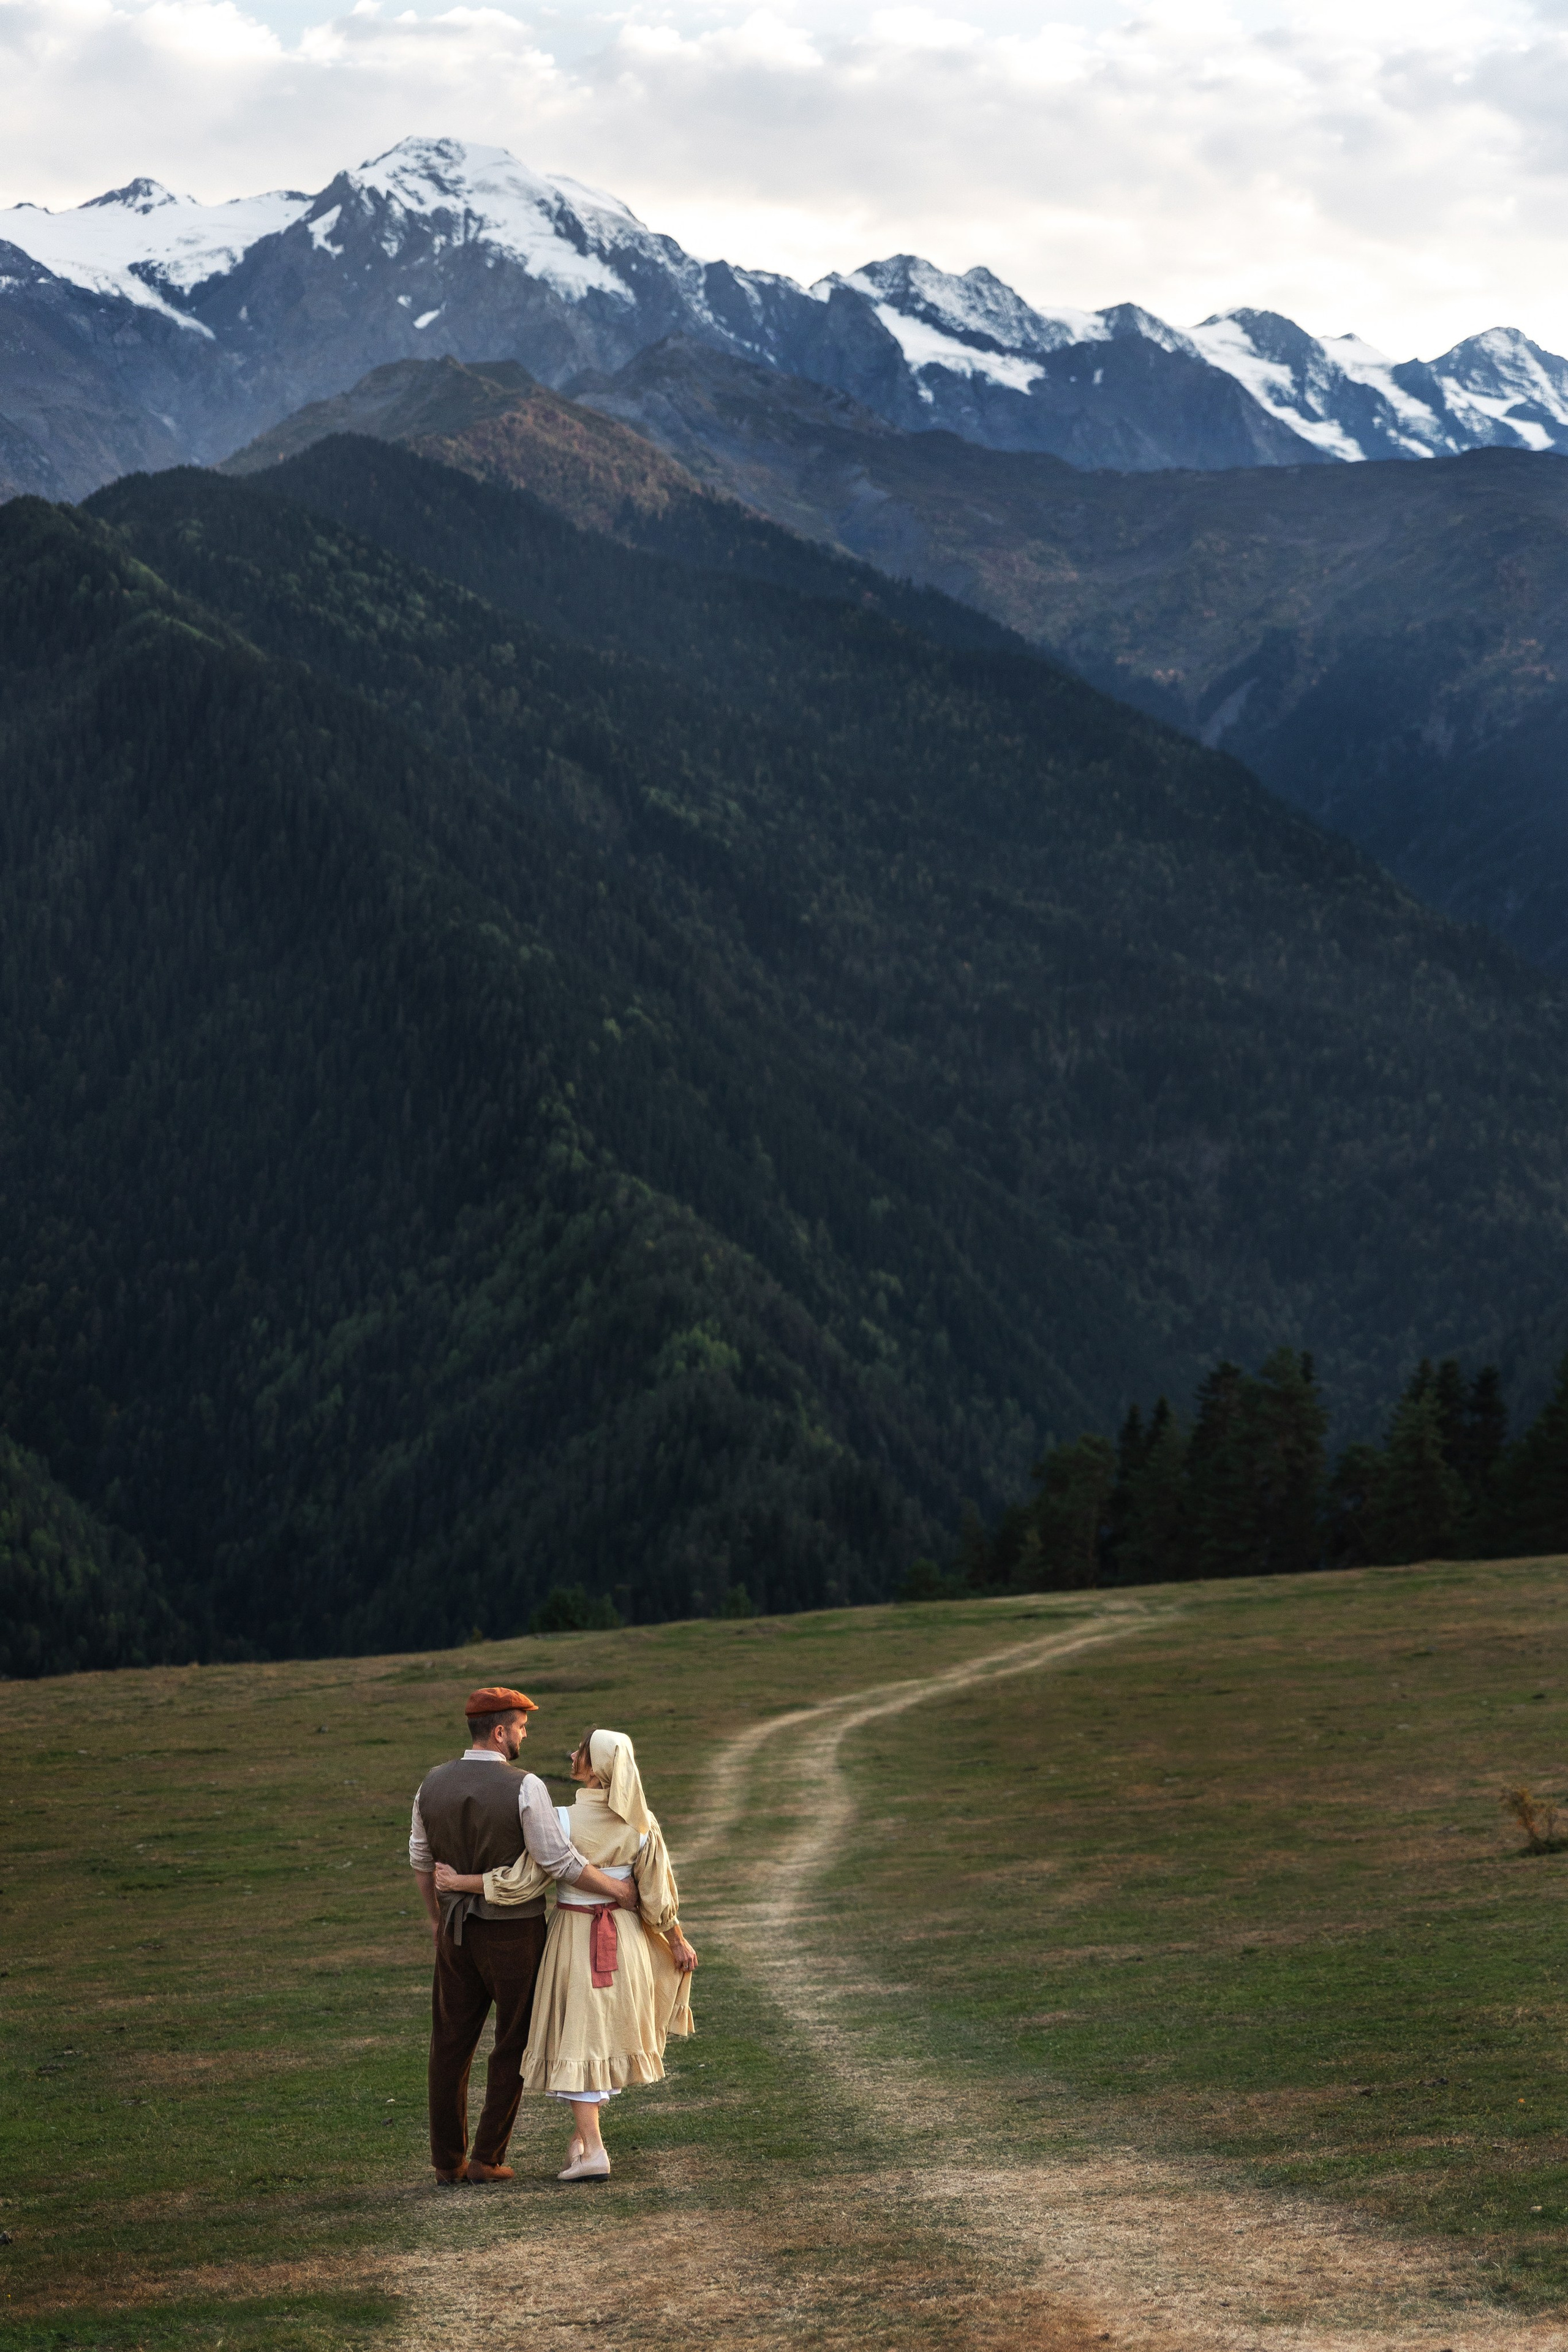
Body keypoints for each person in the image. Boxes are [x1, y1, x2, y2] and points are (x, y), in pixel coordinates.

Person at [435, 1724, 697, 2182]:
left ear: (596, 1769)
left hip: (576, 1937)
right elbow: (656, 1897)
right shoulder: (643, 1824)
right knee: (602, 2037)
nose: (572, 1756)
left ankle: (594, 2150)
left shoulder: (561, 1820)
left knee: (579, 2040)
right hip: (627, 1940)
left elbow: (522, 1881)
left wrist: (461, 1883)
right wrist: (676, 1939)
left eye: (580, 1751)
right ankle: (580, 2141)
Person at [409, 1686, 639, 2187]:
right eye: (520, 1727)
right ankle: (487, 2158)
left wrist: (435, 1921)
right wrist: (618, 1891)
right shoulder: (525, 1786)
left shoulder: (431, 1783)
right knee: (513, 2041)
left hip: (454, 1931)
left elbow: (421, 1861)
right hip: (513, 1933)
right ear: (499, 1732)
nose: (524, 1735)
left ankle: (447, 2162)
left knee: (449, 2045)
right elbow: (559, 1861)